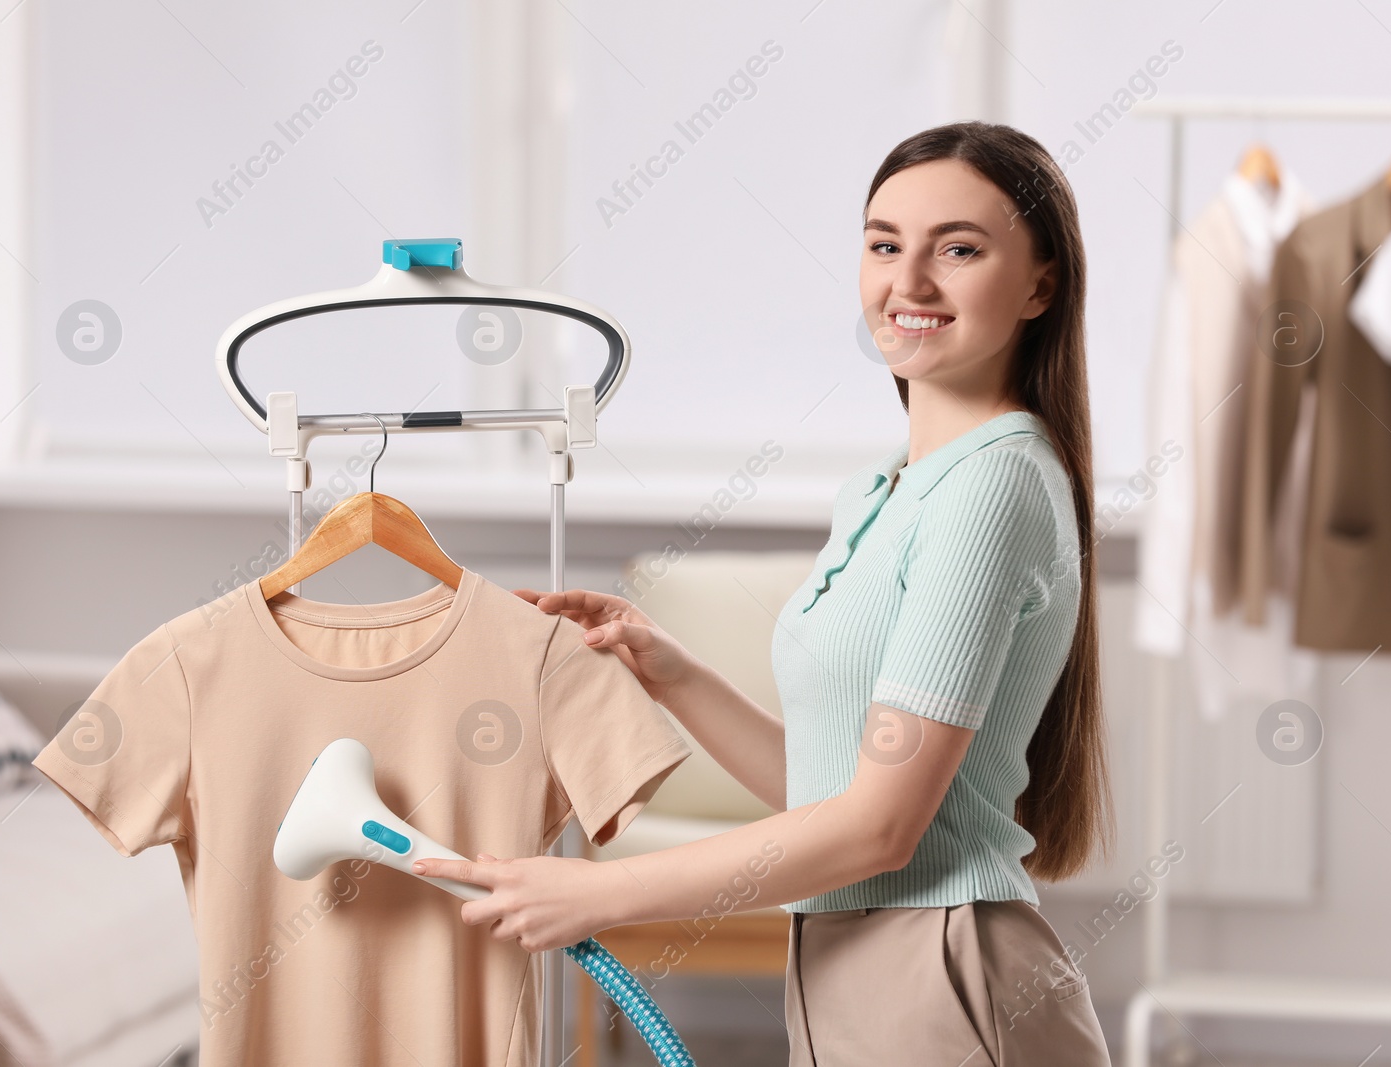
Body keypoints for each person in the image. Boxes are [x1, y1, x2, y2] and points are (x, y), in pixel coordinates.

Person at [414, 120, 1115, 1065]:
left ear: (1040, 283)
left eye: (957, 248)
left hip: (940, 976)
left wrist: (600, 892)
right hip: (850, 968)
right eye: (883, 245)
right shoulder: (885, 487)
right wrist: (673, 672)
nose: (907, 283)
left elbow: (879, 828)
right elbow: (836, 788)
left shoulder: (994, 485)